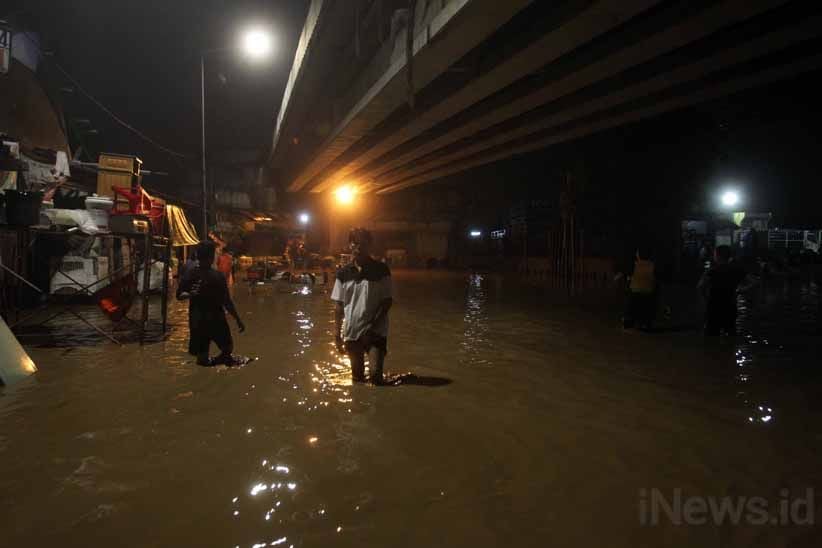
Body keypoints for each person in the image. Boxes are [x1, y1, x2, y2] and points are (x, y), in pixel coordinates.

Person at [331, 228, 393, 384]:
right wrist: (337, 334)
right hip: (352, 332)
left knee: (375, 376)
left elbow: (387, 302)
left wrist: (372, 327)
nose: (358, 247)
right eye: (355, 243)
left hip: (376, 332)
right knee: (357, 379)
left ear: (369, 246)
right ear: (350, 245)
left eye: (363, 244)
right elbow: (339, 306)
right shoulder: (343, 273)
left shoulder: (381, 270)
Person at [177, 241, 246, 365]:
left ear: (198, 256)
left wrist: (190, 294)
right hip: (216, 318)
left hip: (198, 319)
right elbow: (227, 301)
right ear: (212, 256)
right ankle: (218, 362)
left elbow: (179, 295)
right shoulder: (217, 276)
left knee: (202, 357)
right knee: (227, 348)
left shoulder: (191, 274)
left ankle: (209, 364)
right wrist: (237, 319)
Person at [698, 245, 757, 336]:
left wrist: (706, 298)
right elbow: (754, 282)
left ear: (717, 255)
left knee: (711, 334)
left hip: (714, 306)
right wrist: (741, 290)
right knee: (731, 332)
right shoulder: (737, 270)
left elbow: (700, 286)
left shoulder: (712, 271)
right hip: (730, 305)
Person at [623, 247, 657, 330]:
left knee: (630, 303)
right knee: (648, 305)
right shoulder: (652, 265)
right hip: (648, 292)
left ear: (638, 255)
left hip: (635, 290)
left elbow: (628, 276)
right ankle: (646, 322)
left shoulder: (635, 264)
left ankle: (628, 321)